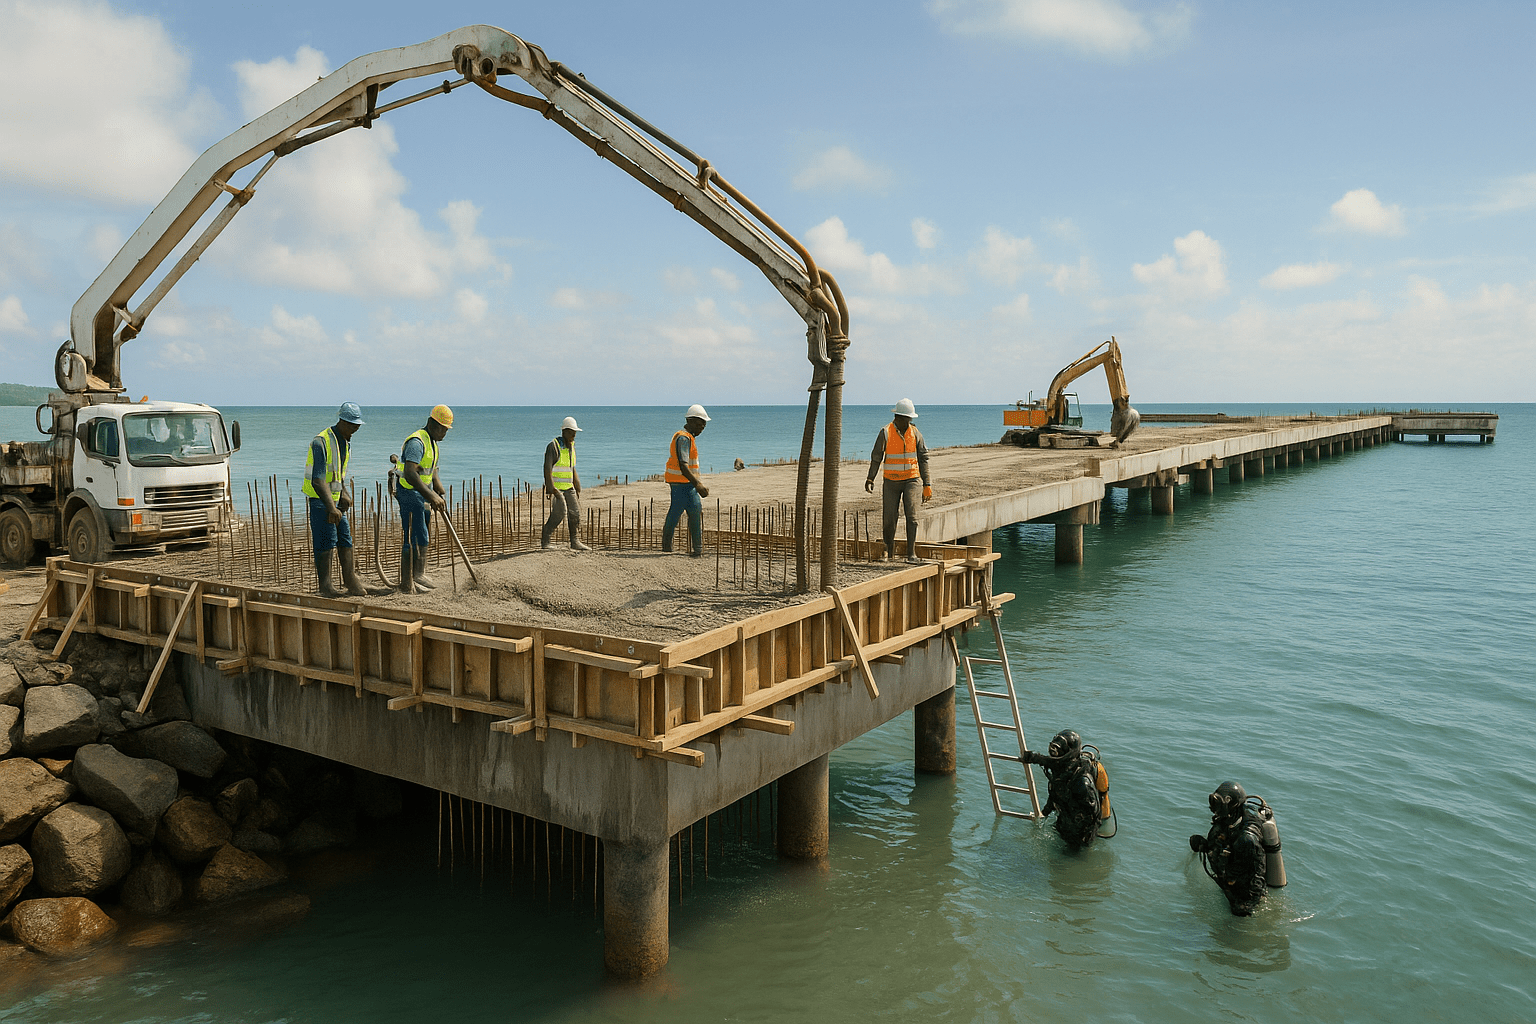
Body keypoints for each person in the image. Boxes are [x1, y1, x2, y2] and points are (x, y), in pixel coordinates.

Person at [301, 403, 368, 598]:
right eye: (353, 425)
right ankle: (326, 586)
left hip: (334, 500)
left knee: (345, 537)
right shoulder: (321, 442)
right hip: (320, 500)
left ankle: (350, 581)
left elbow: (337, 475)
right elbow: (318, 480)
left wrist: (344, 492)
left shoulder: (344, 443)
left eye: (358, 426)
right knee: (326, 541)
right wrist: (331, 507)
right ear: (342, 421)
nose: (355, 429)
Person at [864, 398, 933, 562]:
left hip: (912, 480)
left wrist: (927, 484)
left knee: (912, 516)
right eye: (907, 418)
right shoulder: (886, 432)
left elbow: (923, 458)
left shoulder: (915, 433)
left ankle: (911, 553)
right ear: (899, 417)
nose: (909, 421)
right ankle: (887, 551)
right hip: (891, 481)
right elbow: (876, 457)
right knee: (889, 518)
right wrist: (870, 478)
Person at [1022, 729, 1112, 851]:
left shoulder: (1082, 782)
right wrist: (1044, 813)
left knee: (1067, 859)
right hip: (1065, 820)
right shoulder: (1062, 769)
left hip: (1080, 832)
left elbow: (1093, 816)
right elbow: (1055, 790)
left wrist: (1081, 838)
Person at [1189, 781, 1270, 916]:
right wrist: (1209, 846)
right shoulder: (1231, 818)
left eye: (1218, 803)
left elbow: (1246, 873)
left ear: (1230, 804)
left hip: (1246, 890)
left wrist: (1218, 859)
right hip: (1232, 874)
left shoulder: (1247, 839)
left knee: (1238, 914)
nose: (1214, 808)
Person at [396, 405, 452, 594]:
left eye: (446, 430)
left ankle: (419, 573)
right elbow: (411, 474)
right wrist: (431, 496)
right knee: (415, 531)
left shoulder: (432, 442)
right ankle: (410, 578)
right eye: (442, 428)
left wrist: (437, 485)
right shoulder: (417, 442)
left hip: (423, 491)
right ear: (431, 423)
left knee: (424, 529)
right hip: (409, 491)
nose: (444, 433)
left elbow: (431, 469)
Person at [661, 405, 711, 557]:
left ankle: (696, 549)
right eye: (699, 423)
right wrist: (698, 484)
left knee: (692, 513)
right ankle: (670, 548)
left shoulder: (688, 438)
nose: (702, 427)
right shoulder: (683, 438)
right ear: (690, 421)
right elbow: (683, 466)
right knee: (679, 514)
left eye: (704, 424)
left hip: (686, 484)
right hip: (682, 485)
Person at [542, 416, 590, 551]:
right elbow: (547, 468)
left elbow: (571, 467)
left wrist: (577, 484)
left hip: (569, 487)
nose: (574, 434)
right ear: (564, 431)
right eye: (571, 432)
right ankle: (545, 541)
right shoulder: (554, 446)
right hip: (557, 488)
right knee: (559, 514)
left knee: (575, 513)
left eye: (575, 432)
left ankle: (575, 541)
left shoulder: (571, 446)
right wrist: (550, 488)